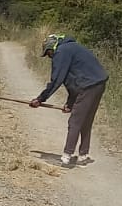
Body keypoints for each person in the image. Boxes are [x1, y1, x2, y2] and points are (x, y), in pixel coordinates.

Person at [29, 34, 108, 166]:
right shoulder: (72, 47)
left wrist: (40, 99)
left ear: (52, 48)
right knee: (86, 120)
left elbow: (57, 80)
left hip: (88, 86)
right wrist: (70, 103)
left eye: (48, 53)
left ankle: (66, 157)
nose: (49, 57)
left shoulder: (61, 52)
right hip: (99, 84)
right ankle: (83, 155)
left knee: (75, 121)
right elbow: (72, 81)